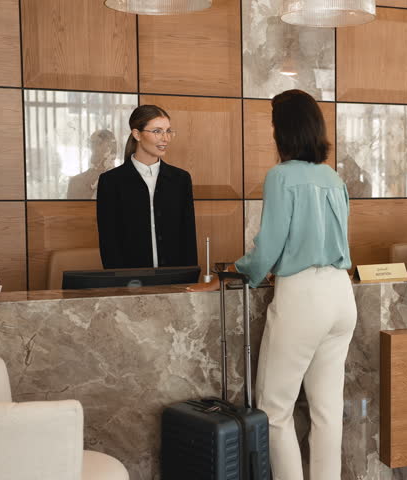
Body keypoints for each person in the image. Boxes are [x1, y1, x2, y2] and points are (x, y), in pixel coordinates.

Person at [188, 89, 355, 480]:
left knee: (275, 410)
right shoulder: (333, 177)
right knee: (327, 411)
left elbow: (269, 247)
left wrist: (235, 271)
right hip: (341, 296)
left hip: (304, 298)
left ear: (284, 130)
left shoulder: (281, 176)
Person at [96, 105, 197, 269]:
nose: (165, 138)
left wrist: (190, 276)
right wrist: (119, 280)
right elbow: (109, 242)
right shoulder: (111, 182)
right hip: (130, 279)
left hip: (175, 277)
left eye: (168, 131)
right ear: (137, 134)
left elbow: (188, 236)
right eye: (157, 131)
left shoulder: (180, 179)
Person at [66, 129, 118, 199]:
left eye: (98, 143)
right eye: (92, 143)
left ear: (110, 148)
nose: (93, 147)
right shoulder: (76, 182)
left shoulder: (122, 182)